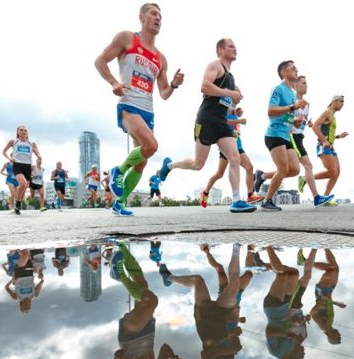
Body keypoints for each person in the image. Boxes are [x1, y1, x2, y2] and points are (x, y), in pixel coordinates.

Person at [95, 2, 184, 217]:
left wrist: (173, 84)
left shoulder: (161, 58)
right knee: (152, 146)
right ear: (142, 17)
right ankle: (118, 171)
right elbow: (100, 61)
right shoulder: (127, 38)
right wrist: (113, 82)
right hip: (128, 104)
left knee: (142, 163)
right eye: (153, 13)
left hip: (148, 110)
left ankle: (119, 203)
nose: (158, 18)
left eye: (160, 15)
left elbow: (164, 93)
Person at [159, 38, 256, 213]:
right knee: (198, 164)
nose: (235, 49)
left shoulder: (231, 77)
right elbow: (205, 87)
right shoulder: (215, 65)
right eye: (231, 46)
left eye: (235, 46)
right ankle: (170, 165)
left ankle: (236, 200)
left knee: (235, 158)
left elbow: (222, 101)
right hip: (206, 119)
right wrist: (230, 93)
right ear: (221, 50)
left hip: (222, 122)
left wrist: (233, 109)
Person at [98, 243, 184, 359]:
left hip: (130, 338)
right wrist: (174, 358)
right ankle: (122, 250)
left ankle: (119, 275)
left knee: (150, 300)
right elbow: (164, 350)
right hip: (148, 332)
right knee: (142, 287)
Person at [159, 243, 246, 359]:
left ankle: (169, 278)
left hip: (205, 320)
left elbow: (205, 356)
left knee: (198, 280)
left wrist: (229, 348)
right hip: (220, 318)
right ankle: (237, 246)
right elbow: (230, 340)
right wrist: (233, 332)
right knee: (234, 286)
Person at [255, 60, 330, 211]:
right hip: (274, 134)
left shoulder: (290, 93)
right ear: (283, 72)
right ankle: (266, 201)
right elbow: (271, 112)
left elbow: (284, 115)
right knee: (283, 169)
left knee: (295, 170)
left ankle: (261, 176)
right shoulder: (278, 88)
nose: (296, 70)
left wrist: (293, 121)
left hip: (285, 136)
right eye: (293, 68)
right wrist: (293, 107)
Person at [198, 111, 263, 208]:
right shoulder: (224, 109)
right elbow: (223, 121)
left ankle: (250, 195)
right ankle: (205, 193)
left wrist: (237, 115)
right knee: (219, 174)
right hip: (227, 146)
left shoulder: (234, 111)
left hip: (237, 145)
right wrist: (239, 120)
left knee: (249, 167)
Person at [259, 247, 306, 359]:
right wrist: (295, 321)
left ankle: (268, 247)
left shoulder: (275, 352)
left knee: (282, 275)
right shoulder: (291, 349)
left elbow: (269, 332)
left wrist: (289, 335)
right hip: (285, 307)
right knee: (294, 274)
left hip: (273, 309)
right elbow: (287, 326)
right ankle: (265, 265)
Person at [292, 76, 334, 207]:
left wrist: (307, 123)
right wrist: (294, 122)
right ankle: (317, 198)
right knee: (306, 166)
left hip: (299, 136)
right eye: (303, 83)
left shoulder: (307, 104)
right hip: (291, 136)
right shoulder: (290, 100)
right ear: (295, 85)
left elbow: (302, 119)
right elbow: (286, 117)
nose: (306, 86)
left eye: (307, 83)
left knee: (288, 170)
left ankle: (261, 176)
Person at [312, 95, 349, 203]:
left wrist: (338, 136)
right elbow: (315, 126)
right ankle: (306, 178)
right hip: (323, 146)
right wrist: (324, 141)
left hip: (331, 147)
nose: (343, 104)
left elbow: (327, 132)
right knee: (332, 172)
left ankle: (325, 198)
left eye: (343, 102)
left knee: (337, 173)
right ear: (333, 102)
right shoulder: (327, 112)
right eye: (341, 101)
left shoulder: (333, 115)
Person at [1, 125, 42, 215]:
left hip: (27, 166)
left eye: (25, 130)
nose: (23, 131)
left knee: (24, 186)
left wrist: (39, 156)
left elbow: (37, 152)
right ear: (18, 132)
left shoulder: (31, 143)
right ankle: (18, 202)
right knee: (23, 183)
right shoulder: (14, 142)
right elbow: (4, 151)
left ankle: (17, 203)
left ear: (27, 133)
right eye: (21, 130)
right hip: (17, 165)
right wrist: (9, 158)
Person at [309, 249, 345, 344]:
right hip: (328, 293)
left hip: (322, 293)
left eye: (338, 337)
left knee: (331, 270)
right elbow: (326, 307)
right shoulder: (330, 324)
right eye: (340, 337)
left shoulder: (324, 327)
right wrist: (336, 303)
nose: (339, 335)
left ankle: (305, 263)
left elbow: (313, 313)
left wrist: (321, 301)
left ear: (331, 337)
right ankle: (326, 247)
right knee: (335, 269)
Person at [5, 249, 44, 313]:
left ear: (21, 306)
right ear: (30, 306)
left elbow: (6, 287)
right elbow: (41, 283)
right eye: (28, 307)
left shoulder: (16, 297)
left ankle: (17, 247)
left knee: (25, 256)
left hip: (19, 274)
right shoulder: (34, 295)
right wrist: (41, 279)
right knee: (27, 255)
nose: (27, 306)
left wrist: (12, 280)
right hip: (29, 273)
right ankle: (18, 247)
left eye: (25, 308)